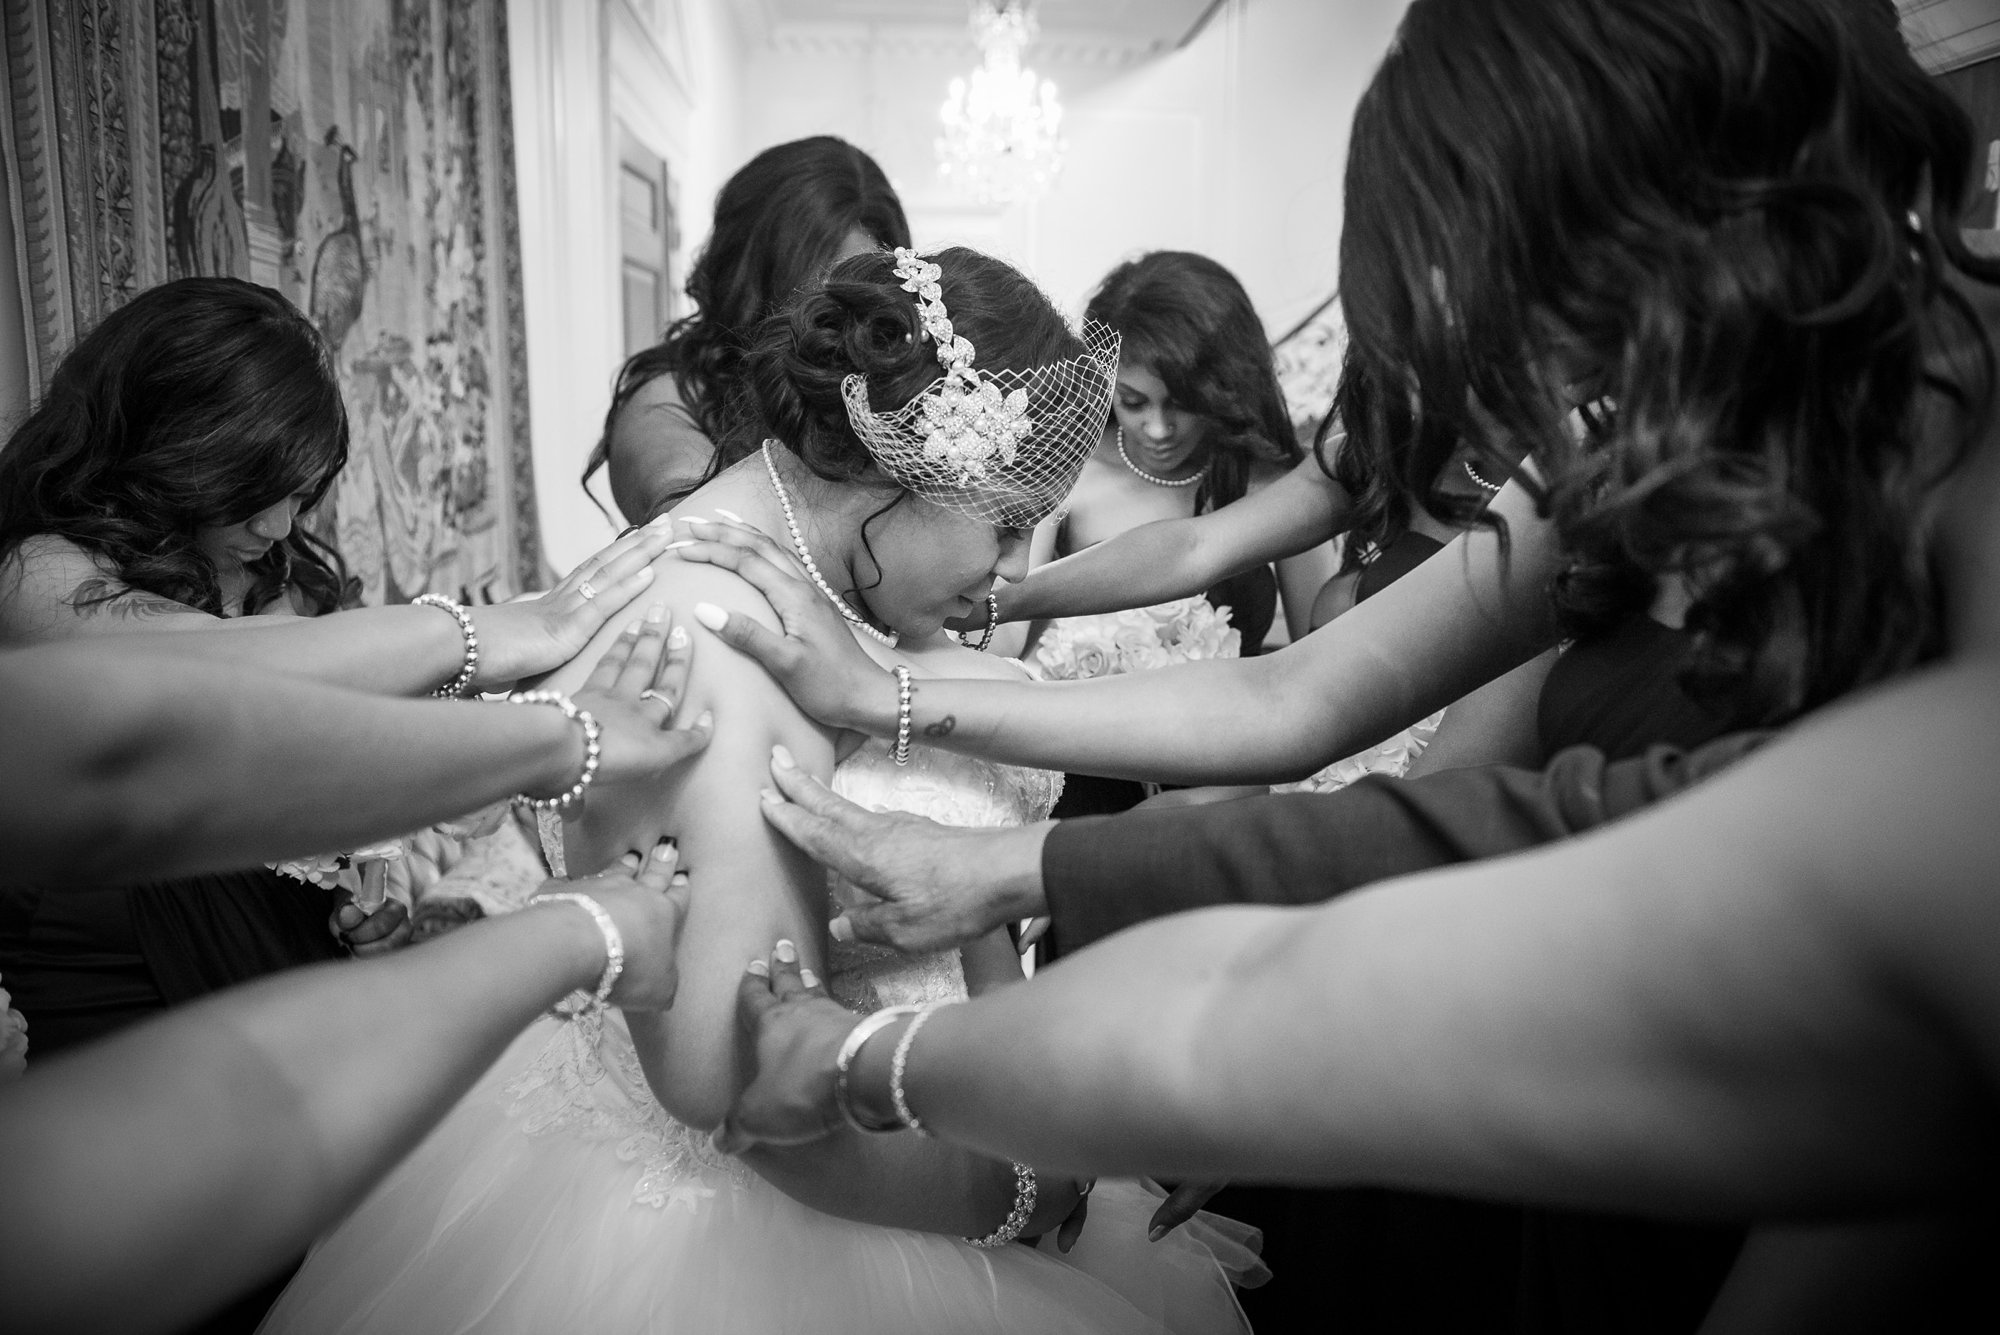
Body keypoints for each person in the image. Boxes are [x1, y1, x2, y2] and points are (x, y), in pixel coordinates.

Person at [667, 0, 1993, 1324]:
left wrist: (959, 959)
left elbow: (1894, 1044)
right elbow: (1302, 703)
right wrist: (896, 694)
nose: (1535, 392)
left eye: (1538, 305)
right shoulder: (1635, 437)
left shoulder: (1949, 473)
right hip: (1577, 1107)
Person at [262, 246, 1258, 1334]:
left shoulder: (801, 568)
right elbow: (739, 1084)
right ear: (901, 463)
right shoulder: (722, 639)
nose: (1017, 574)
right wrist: (1027, 1189)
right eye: (1006, 523)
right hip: (759, 1242)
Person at [0, 276, 681, 1063]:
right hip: (122, 1041)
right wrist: (477, 635)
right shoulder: (34, 573)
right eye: (248, 492)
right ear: (166, 452)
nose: (277, 524)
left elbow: (325, 777)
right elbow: (196, 682)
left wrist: (363, 898)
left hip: (283, 1002)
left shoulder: (279, 579)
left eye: (297, 495)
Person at [584, 136, 913, 525]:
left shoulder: (887, 390)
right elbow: (700, 521)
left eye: (862, 296)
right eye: (816, 296)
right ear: (752, 284)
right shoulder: (666, 400)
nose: (841, 326)